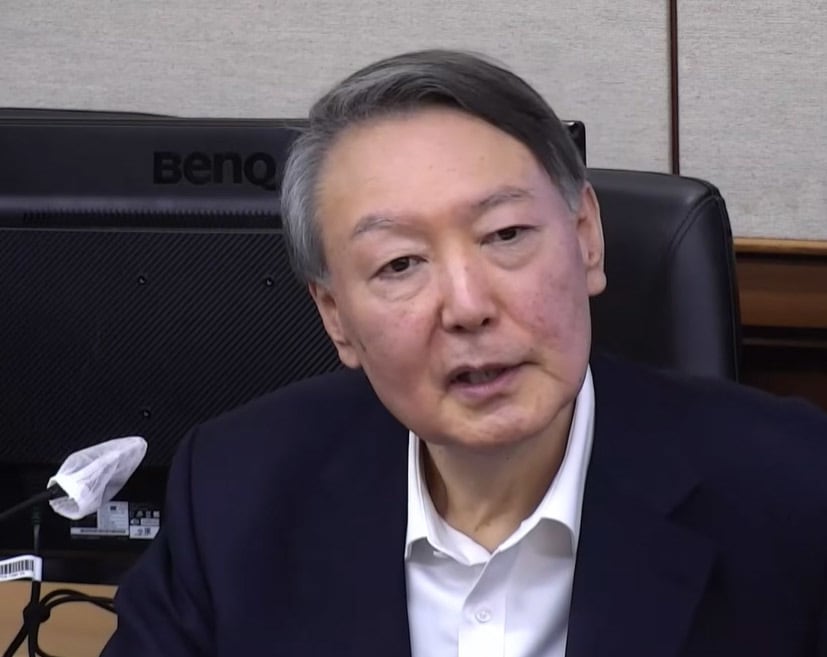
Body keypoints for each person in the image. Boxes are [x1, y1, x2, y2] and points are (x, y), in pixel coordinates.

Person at [101, 50, 827, 657]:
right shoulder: (236, 494)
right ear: (335, 317)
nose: (468, 305)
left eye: (505, 235)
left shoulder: (795, 486)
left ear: (585, 239)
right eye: (399, 264)